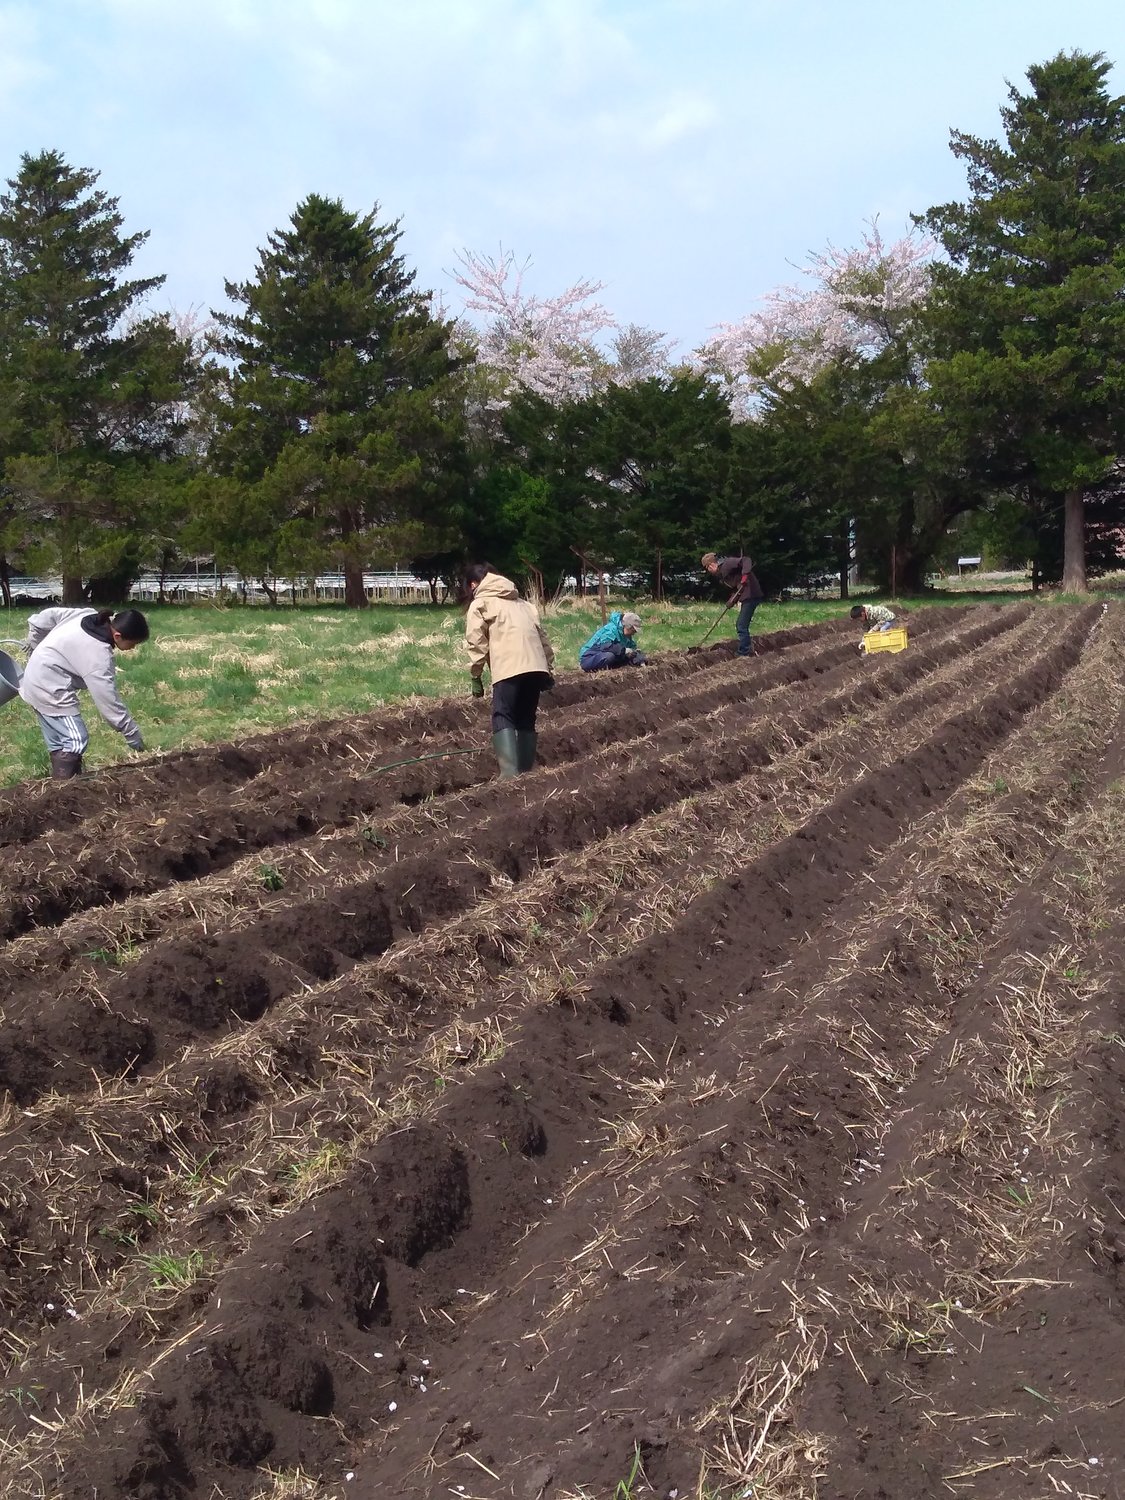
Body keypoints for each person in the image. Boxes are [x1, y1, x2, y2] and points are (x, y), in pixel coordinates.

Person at [19, 606, 149, 778]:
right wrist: (132, 734)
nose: (132, 648)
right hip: (49, 688)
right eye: (132, 643)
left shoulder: (87, 614)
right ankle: (65, 789)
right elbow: (108, 701)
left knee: (59, 742)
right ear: (117, 636)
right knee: (76, 740)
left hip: (34, 679)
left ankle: (60, 788)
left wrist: (35, 643)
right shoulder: (99, 656)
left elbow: (43, 617)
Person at [464, 565, 555, 778]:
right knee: (526, 717)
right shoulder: (525, 605)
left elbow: (476, 640)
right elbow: (543, 639)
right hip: (536, 667)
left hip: (508, 666)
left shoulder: (480, 603)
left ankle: (509, 776)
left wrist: (475, 674)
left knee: (502, 714)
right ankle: (525, 773)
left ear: (473, 584)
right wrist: (549, 668)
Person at [701, 551, 764, 657]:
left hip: (751, 594)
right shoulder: (722, 574)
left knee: (741, 625)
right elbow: (737, 587)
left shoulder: (727, 564)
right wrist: (732, 600)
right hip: (747, 595)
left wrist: (745, 577)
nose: (709, 571)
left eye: (707, 568)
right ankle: (745, 650)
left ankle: (744, 652)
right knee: (741, 625)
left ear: (711, 564)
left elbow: (746, 560)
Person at [578, 610, 647, 672]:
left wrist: (637, 656)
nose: (634, 633)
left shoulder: (626, 636)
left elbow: (632, 649)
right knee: (610, 656)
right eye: (633, 630)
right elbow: (605, 646)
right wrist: (624, 650)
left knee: (626, 657)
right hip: (589, 657)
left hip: (604, 654)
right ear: (628, 626)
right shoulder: (611, 629)